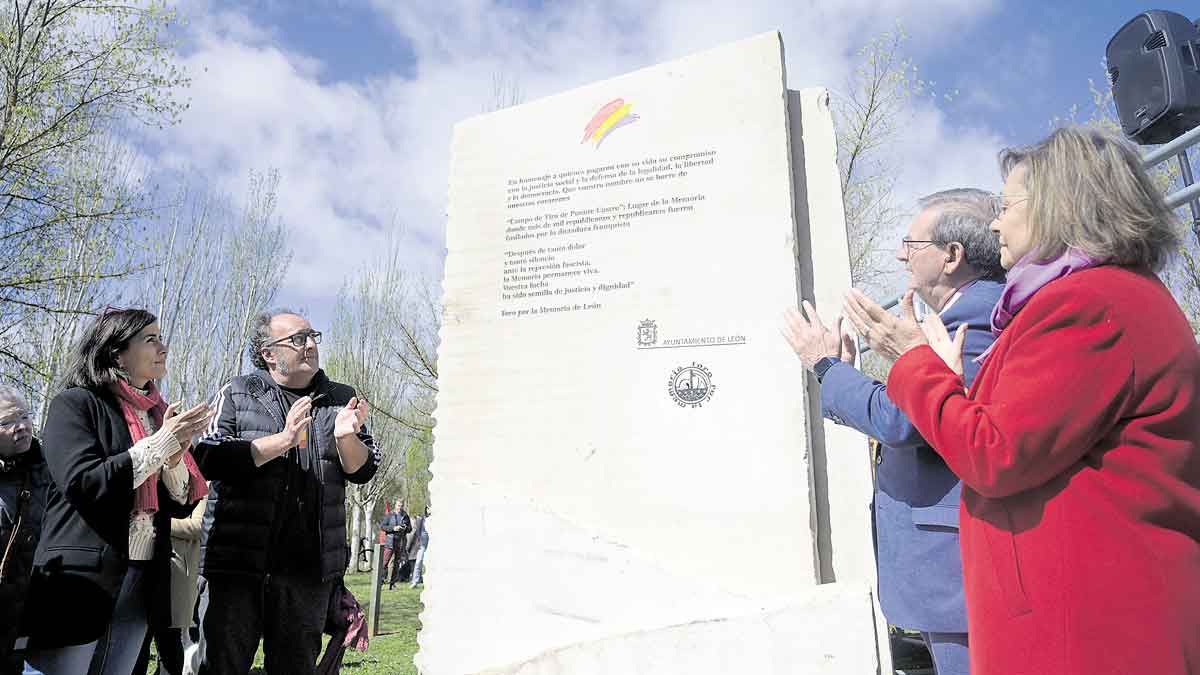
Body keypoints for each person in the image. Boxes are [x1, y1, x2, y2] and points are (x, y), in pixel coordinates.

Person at [843, 127, 1200, 674]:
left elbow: (993, 453)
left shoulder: (1087, 305)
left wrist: (914, 361)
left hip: (1089, 630)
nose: (995, 221)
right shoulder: (1096, 298)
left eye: (1007, 205)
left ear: (1061, 205)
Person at [782, 188, 1004, 675]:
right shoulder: (965, 314)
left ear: (952, 256)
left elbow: (905, 420)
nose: (901, 253)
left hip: (953, 569)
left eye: (912, 242)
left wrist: (825, 368)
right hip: (944, 567)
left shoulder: (977, 319)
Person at [21, 308, 211, 675]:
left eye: (161, 337)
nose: (163, 347)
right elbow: (82, 481)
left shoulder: (157, 414)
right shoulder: (75, 404)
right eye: (150, 339)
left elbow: (179, 502)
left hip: (142, 578)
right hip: (80, 583)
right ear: (115, 352)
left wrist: (174, 455)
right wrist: (159, 446)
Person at [192, 308, 380, 675]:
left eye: (313, 337)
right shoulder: (238, 392)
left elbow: (364, 469)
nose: (310, 345)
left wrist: (346, 437)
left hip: (306, 575)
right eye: (298, 339)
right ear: (268, 353)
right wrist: (282, 441)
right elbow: (206, 456)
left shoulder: (341, 398)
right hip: (237, 570)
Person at [0, 388, 50, 675]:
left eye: (25, 415)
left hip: (24, 611)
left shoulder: (47, 471)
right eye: (8, 421)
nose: (22, 426)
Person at [378, 505, 410, 589]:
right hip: (390, 542)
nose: (400, 507)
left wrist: (405, 528)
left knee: (396, 564)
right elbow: (382, 526)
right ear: (395, 505)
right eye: (399, 505)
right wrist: (393, 528)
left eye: (402, 506)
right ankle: (380, 581)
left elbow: (410, 529)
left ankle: (392, 584)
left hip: (400, 543)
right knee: (385, 563)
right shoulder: (390, 515)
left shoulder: (405, 516)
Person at [407, 508, 429, 588]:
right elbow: (417, 532)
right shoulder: (421, 520)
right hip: (423, 544)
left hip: (433, 545)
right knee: (418, 562)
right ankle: (415, 581)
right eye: (428, 509)